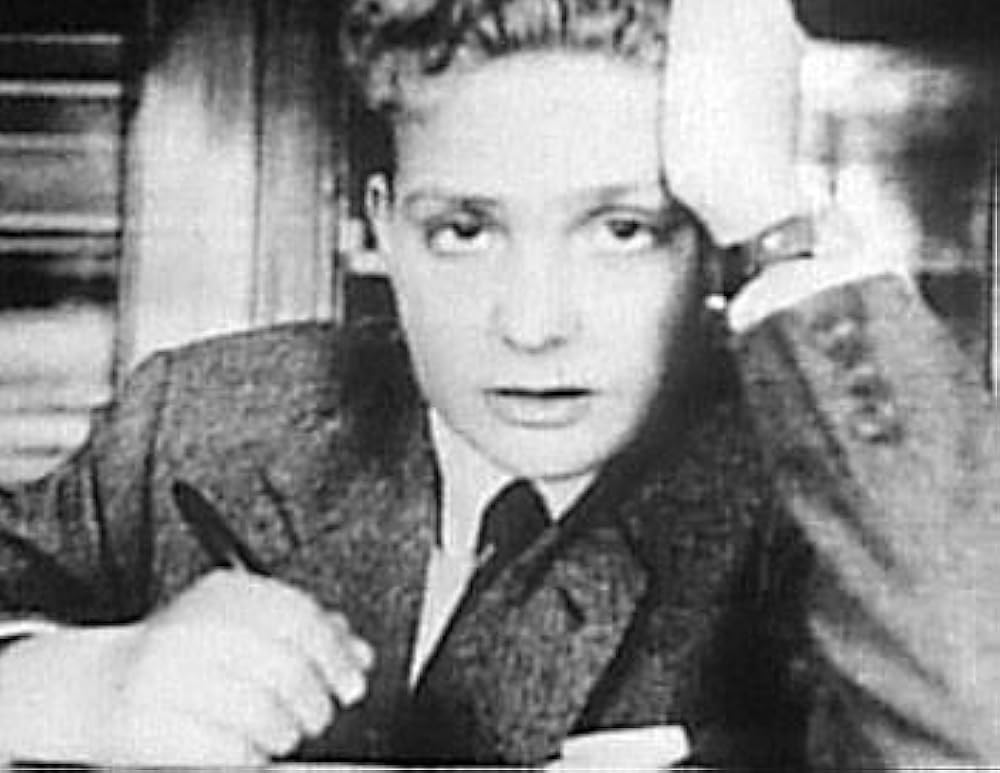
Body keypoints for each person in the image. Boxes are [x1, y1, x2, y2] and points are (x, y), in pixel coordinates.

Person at [0, 0, 996, 768]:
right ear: (384, 229)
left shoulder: (818, 506)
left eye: (622, 230)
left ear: (706, 249)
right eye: (464, 230)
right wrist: (63, 687)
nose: (530, 323)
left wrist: (769, 218)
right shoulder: (201, 422)